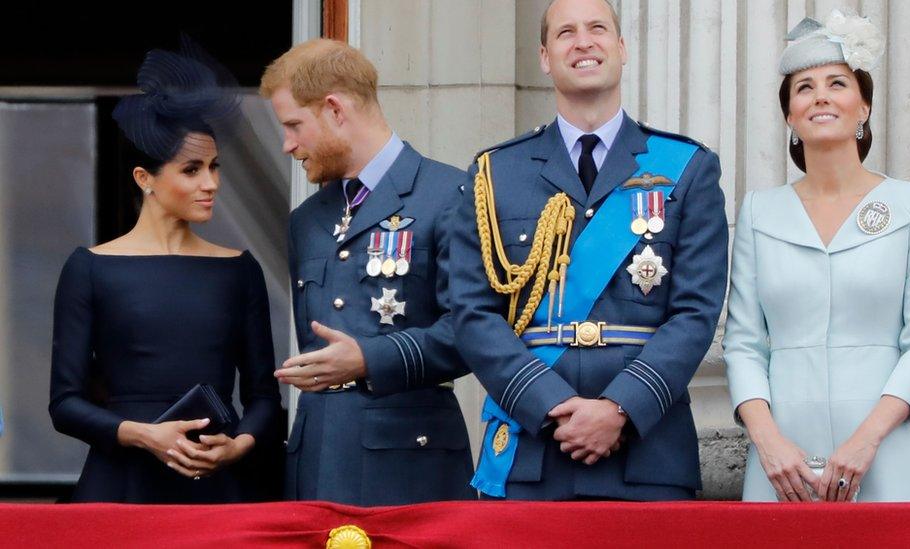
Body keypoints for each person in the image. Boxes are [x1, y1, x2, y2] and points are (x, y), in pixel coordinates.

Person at [451, 0, 728, 501]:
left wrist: (620, 408)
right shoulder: (495, 174)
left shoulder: (687, 167)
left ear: (621, 49)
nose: (583, 42)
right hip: (534, 447)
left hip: (648, 450)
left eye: (597, 28)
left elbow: (696, 313)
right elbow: (472, 313)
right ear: (544, 56)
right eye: (565, 33)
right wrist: (552, 405)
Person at [724, 11, 910, 502]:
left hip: (883, 451)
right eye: (803, 87)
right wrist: (769, 442)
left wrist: (866, 442)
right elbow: (743, 343)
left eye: (837, 83)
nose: (820, 95)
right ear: (789, 116)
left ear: (863, 106)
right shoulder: (760, 212)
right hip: (781, 459)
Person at [48, 44, 283, 503]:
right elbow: (64, 405)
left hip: (218, 486)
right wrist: (141, 434)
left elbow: (264, 398)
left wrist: (239, 446)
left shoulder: (239, 270)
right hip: (122, 486)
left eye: (214, 167)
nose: (211, 183)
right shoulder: (90, 267)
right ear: (145, 178)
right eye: (191, 170)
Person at [260, 39, 475, 505]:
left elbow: (473, 331)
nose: (287, 144)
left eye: (294, 125)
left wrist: (369, 359)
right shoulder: (307, 219)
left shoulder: (450, 194)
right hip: (316, 457)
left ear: (335, 109)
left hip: (409, 461)